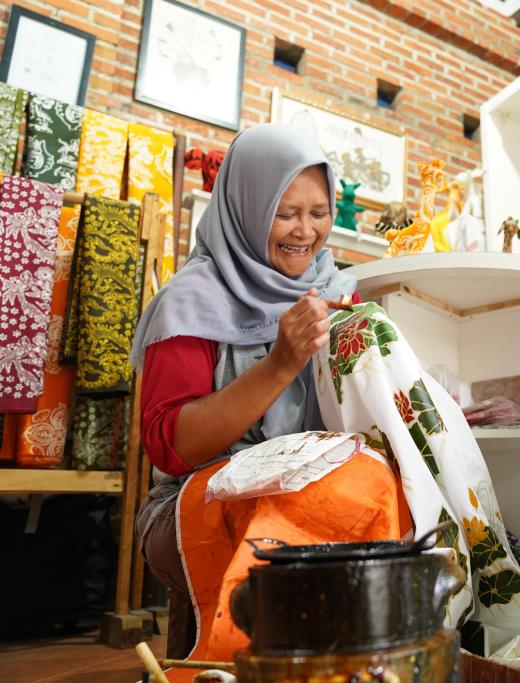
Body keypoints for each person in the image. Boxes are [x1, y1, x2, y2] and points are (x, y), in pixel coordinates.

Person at [131, 124, 403, 654]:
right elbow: (170, 445)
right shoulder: (193, 301)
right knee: (298, 513)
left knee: (382, 488)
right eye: (285, 213)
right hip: (194, 498)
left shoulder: (335, 291)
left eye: (319, 213)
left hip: (305, 481)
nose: (305, 231)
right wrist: (280, 364)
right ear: (246, 208)